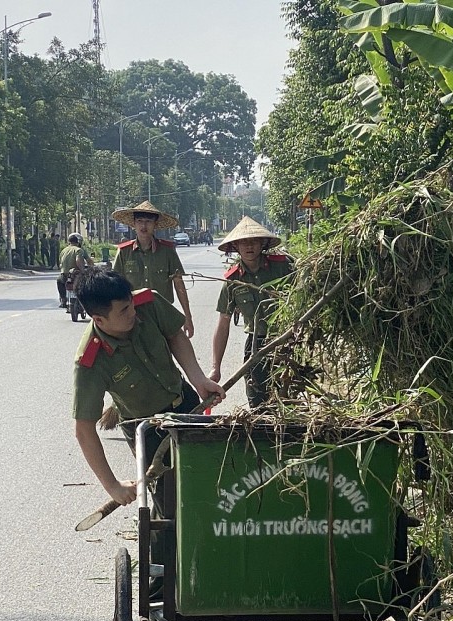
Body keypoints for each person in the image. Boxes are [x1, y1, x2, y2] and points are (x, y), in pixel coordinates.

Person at [72, 267, 225, 513]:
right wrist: (113, 486)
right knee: (171, 504)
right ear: (99, 320)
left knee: (210, 479)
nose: (133, 311)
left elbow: (175, 336)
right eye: (124, 311)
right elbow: (84, 430)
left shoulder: (148, 302)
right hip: (148, 430)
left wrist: (198, 379)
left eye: (131, 303)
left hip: (186, 406)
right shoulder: (91, 360)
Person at [210, 216, 293, 408]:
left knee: (288, 399)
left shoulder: (283, 266)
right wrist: (216, 368)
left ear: (262, 243)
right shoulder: (232, 280)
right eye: (243, 242)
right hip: (256, 344)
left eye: (254, 241)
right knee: (257, 400)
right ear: (235, 246)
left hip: (287, 341)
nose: (249, 246)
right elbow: (223, 324)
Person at [111, 201, 194, 338]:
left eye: (148, 221)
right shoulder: (124, 252)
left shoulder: (167, 251)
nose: (144, 226)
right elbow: (115, 286)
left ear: (155, 224)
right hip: (133, 315)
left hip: (162, 314)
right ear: (134, 224)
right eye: (140, 221)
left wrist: (188, 317)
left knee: (169, 349)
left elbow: (179, 284)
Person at [57, 233, 90, 309]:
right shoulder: (79, 250)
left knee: (59, 281)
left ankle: (63, 300)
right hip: (75, 275)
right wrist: (83, 271)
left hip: (64, 275)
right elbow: (79, 261)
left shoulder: (63, 250)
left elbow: (60, 263)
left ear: (69, 242)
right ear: (78, 242)